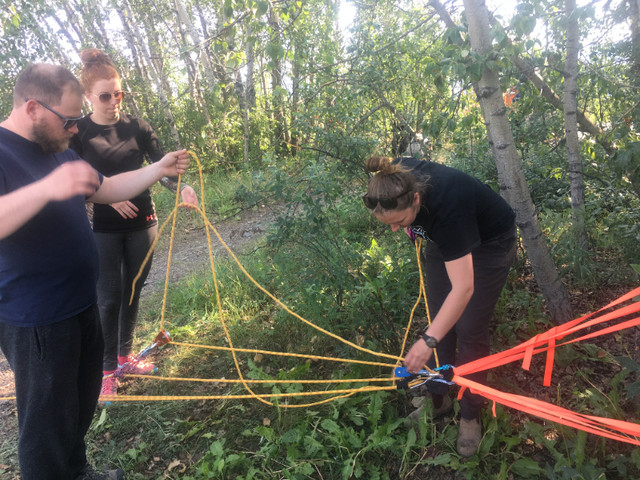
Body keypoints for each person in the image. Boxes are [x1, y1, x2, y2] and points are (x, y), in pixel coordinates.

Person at [0, 63, 190, 480]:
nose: (75, 129)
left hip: (80, 305)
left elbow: (106, 187)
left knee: (78, 406)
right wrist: (47, 188)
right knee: (45, 427)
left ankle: (79, 471)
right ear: (32, 108)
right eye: (68, 119)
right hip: (37, 320)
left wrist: (158, 169)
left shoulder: (57, 149)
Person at [363, 154, 516, 457]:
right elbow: (407, 214)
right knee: (439, 320)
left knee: (469, 327)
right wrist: (433, 335)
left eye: (399, 222)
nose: (394, 230)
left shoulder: (449, 210)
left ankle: (470, 414)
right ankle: (439, 401)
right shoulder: (396, 178)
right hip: (442, 240)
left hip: (490, 243)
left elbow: (464, 287)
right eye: (388, 224)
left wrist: (426, 342)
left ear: (416, 200)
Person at [70, 48, 198, 400]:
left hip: (144, 224)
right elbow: (73, 183)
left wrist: (182, 186)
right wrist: (108, 194)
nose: (114, 101)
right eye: (105, 96)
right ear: (88, 97)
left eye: (119, 93)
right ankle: (106, 369)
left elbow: (162, 170)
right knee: (107, 298)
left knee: (133, 290)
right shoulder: (78, 132)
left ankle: (126, 356)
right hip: (101, 230)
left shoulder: (139, 128)